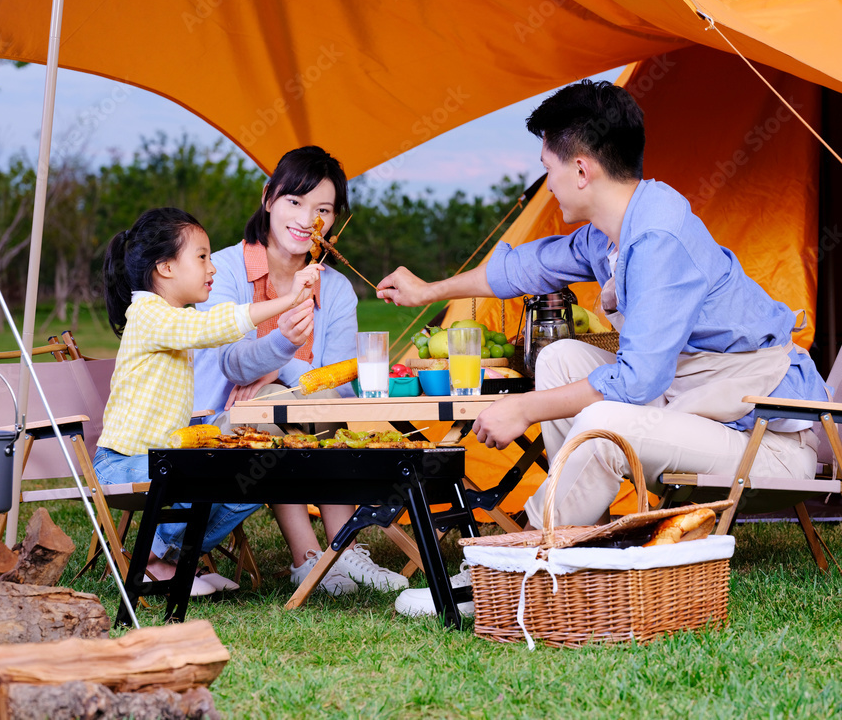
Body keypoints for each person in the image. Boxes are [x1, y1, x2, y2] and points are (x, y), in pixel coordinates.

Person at [377, 79, 828, 616]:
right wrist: (430, 291)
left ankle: (502, 571)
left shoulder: (658, 238)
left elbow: (637, 382)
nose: (549, 185)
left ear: (583, 169)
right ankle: (571, 549)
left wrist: (522, 407)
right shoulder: (611, 233)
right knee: (561, 356)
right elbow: (525, 267)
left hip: (764, 435)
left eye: (550, 169)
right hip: (696, 401)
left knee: (609, 425)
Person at [193, 145, 408, 595]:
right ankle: (308, 558)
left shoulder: (336, 288)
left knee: (311, 404)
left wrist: (278, 368)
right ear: (269, 198)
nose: (308, 219)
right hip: (216, 419)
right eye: (296, 201)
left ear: (332, 221)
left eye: (323, 209)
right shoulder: (226, 270)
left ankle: (344, 549)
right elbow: (231, 362)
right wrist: (288, 354)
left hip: (300, 413)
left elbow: (337, 388)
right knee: (276, 408)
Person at [95, 206, 322, 595]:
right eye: (201, 257)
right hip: (122, 466)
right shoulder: (149, 314)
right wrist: (288, 300)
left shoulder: (172, 315)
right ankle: (152, 560)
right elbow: (212, 327)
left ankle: (172, 562)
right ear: (165, 267)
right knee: (194, 472)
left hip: (166, 455)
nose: (212, 267)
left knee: (258, 472)